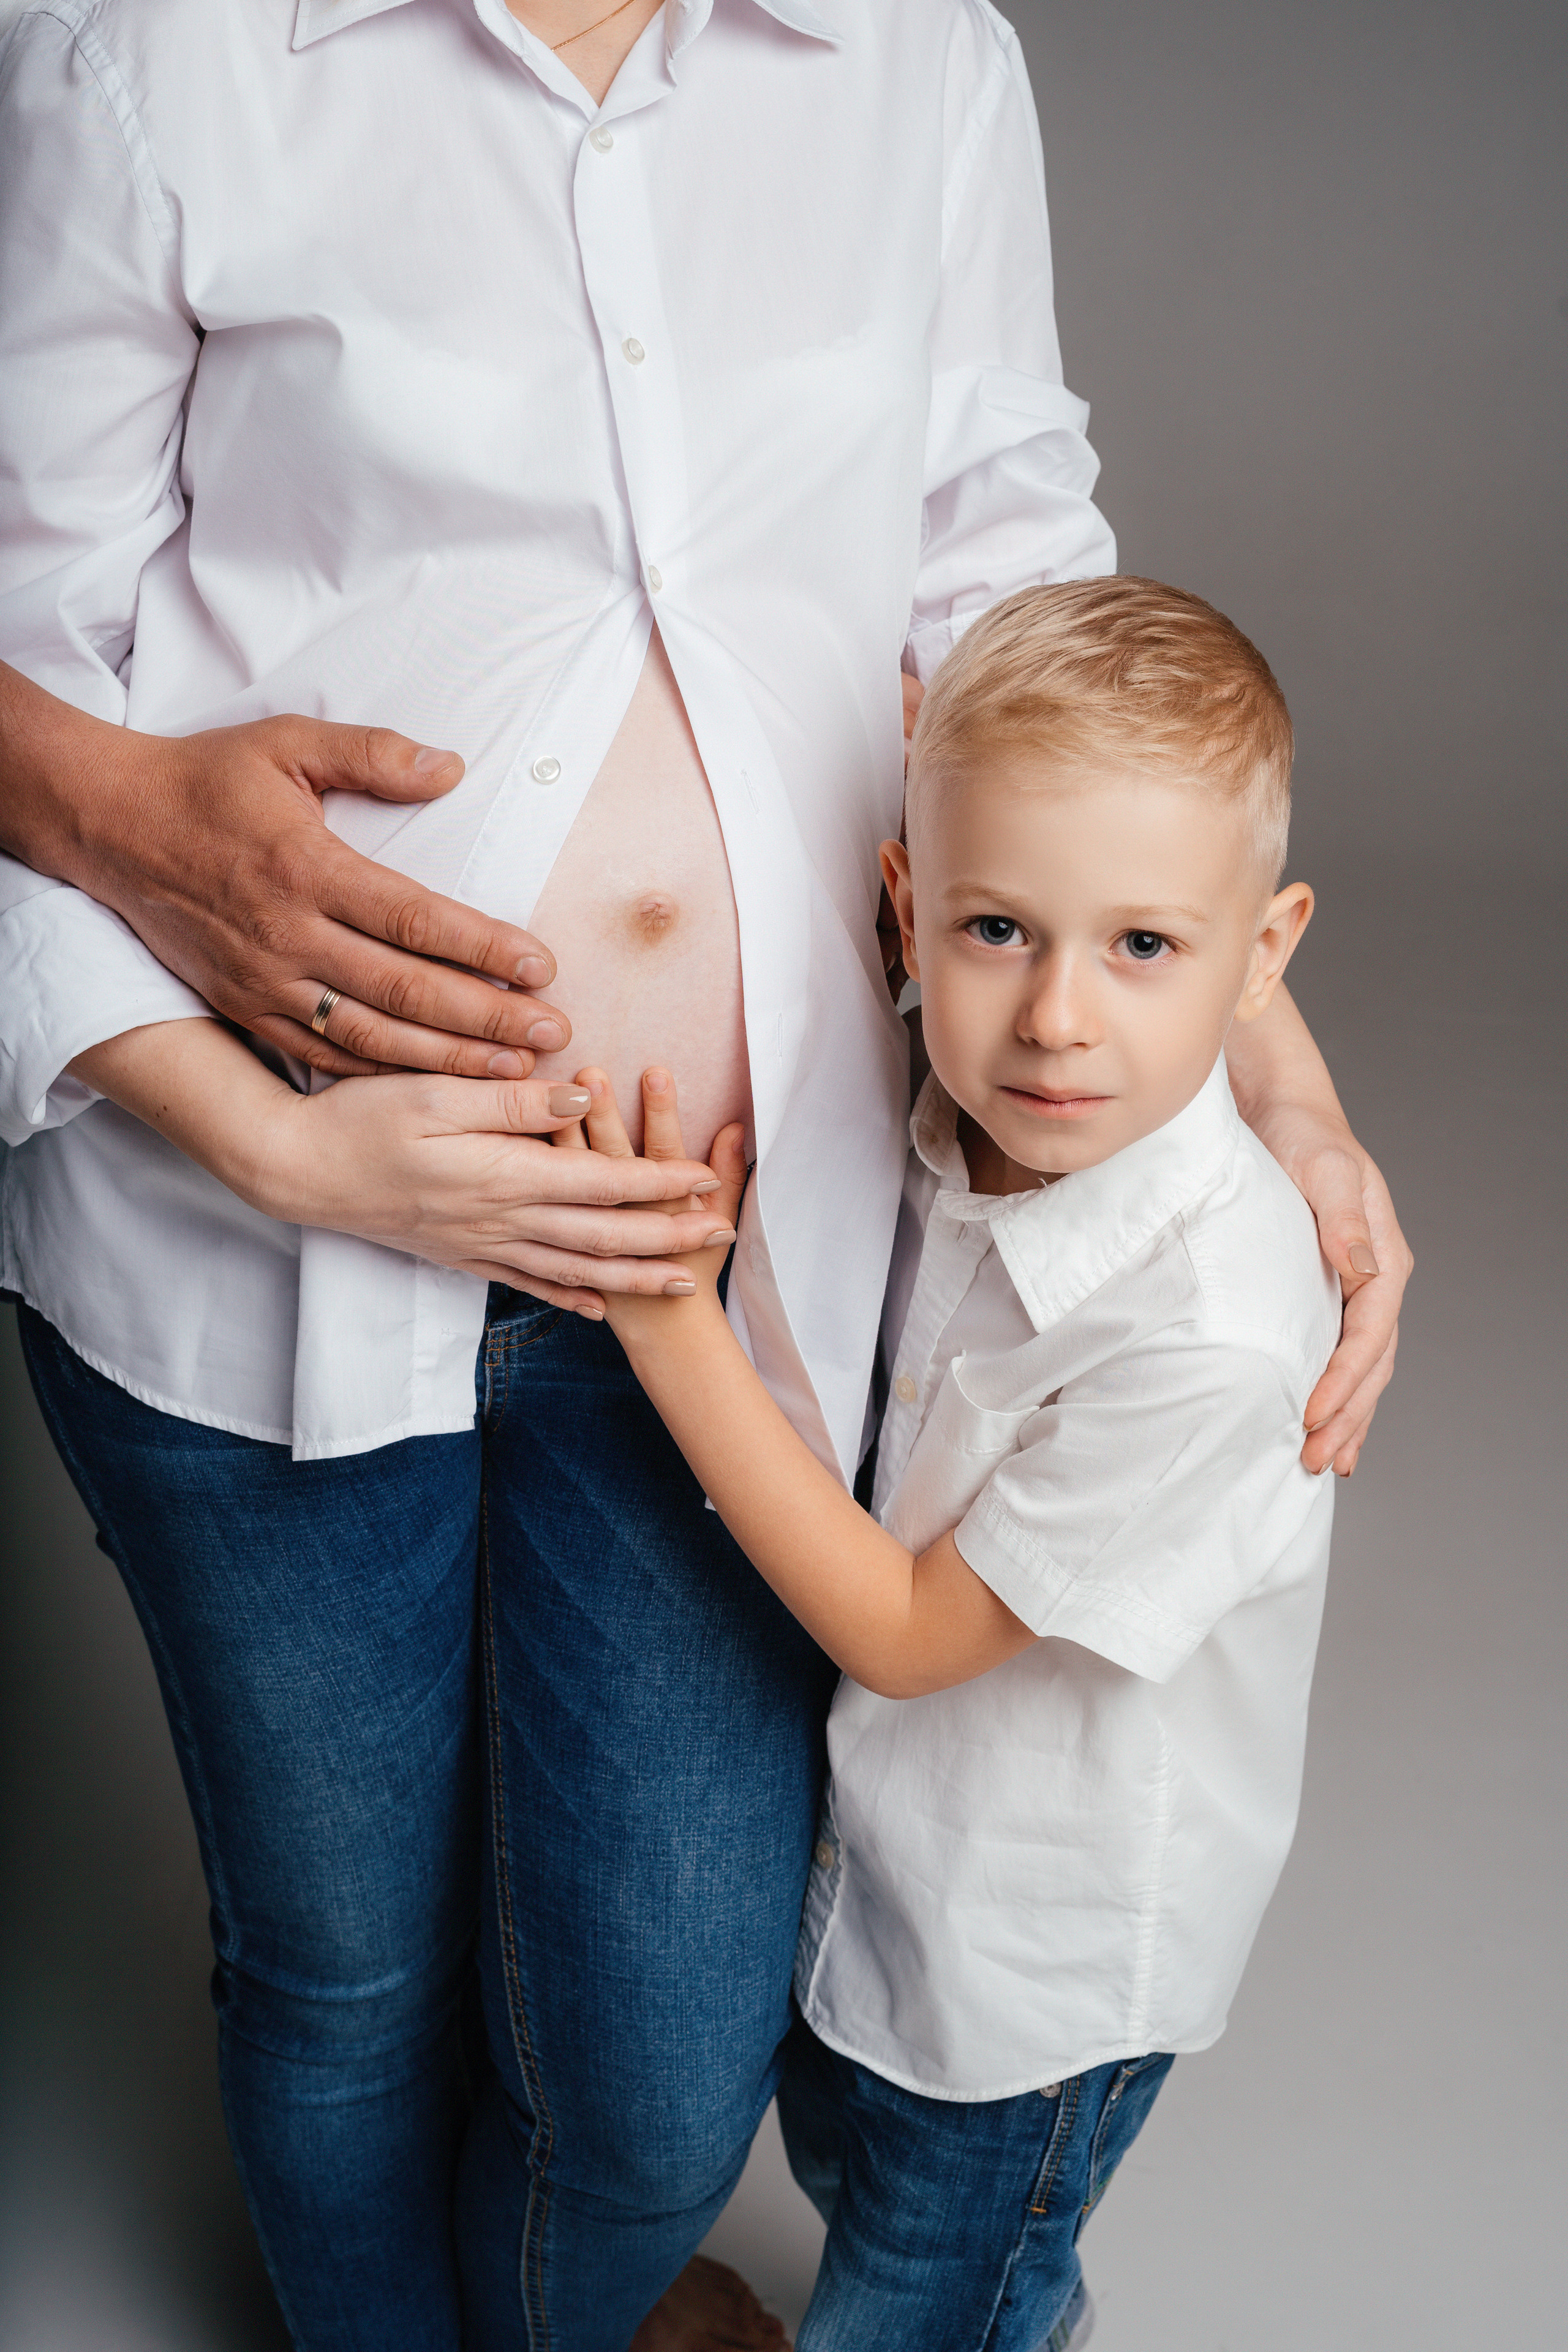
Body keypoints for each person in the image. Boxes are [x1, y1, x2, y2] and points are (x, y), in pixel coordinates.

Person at [0, 1, 1409, 2345]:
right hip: (247, 1231)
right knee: (344, 1976)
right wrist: (280, 1134)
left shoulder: (915, 58)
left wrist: (1285, 1085)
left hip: (729, 1269)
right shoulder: (167, 51)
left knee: (659, 2070)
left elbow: (1014, 613)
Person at [570, 576, 1344, 2348]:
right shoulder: (952, 1107)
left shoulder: (1211, 1322)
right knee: (853, 2160)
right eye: (1000, 930)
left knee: (942, 2269)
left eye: (1145, 947)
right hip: (896, 1874)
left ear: (1263, 956)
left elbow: (913, 1633)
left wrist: (671, 1324)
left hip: (1034, 1972)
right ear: (910, 913)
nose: (1060, 1018)